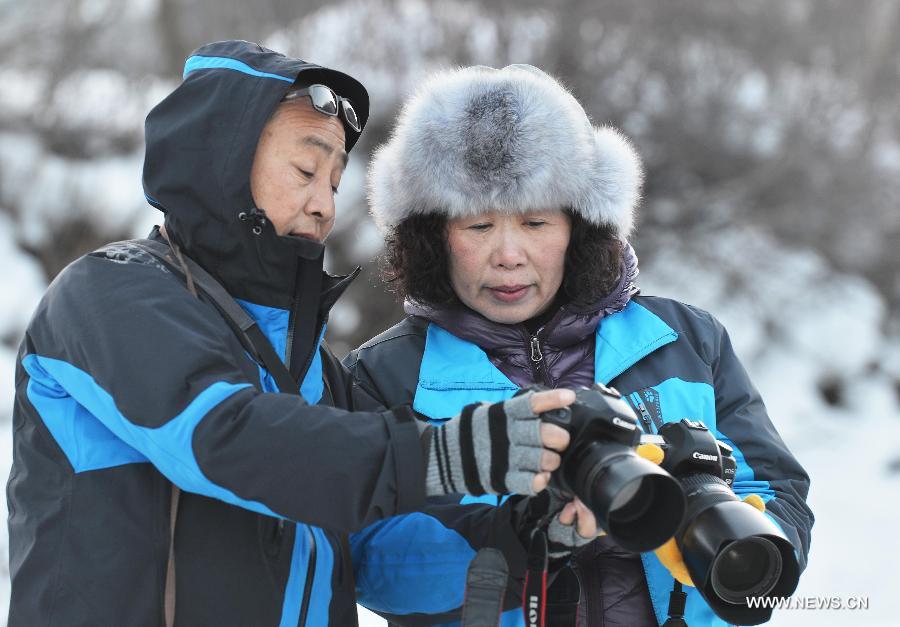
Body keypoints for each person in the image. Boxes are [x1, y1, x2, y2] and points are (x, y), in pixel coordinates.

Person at [6, 42, 577, 627]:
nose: (324, 206)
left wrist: (520, 538)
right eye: (307, 171)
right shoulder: (109, 296)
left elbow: (376, 553)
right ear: (220, 162)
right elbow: (226, 440)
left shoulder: (311, 369)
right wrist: (442, 454)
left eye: (333, 182)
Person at [345, 64, 813, 626]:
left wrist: (718, 508)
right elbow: (371, 563)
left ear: (581, 228)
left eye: (536, 222)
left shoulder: (686, 339)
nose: (509, 255)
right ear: (431, 239)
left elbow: (779, 489)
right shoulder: (384, 375)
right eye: (477, 227)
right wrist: (516, 535)